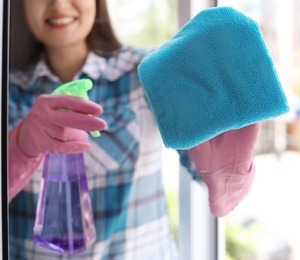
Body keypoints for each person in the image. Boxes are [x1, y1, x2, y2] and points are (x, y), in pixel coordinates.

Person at [8, 0, 260, 259]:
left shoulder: (146, 73)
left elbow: (207, 174)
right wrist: (18, 148)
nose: (59, 4)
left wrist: (227, 164)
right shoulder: (7, 91)